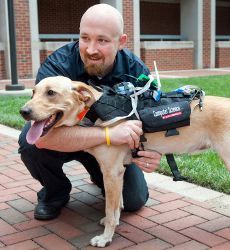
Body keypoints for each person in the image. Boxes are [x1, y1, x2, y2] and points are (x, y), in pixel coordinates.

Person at [18, 4, 162, 220]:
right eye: (85, 38)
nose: (91, 49)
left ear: (121, 42)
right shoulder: (58, 65)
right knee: (30, 143)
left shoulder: (135, 71)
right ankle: (55, 193)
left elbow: (153, 120)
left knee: (134, 201)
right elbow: (42, 139)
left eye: (102, 40)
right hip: (66, 141)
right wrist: (108, 134)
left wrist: (150, 151)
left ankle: (99, 175)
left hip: (109, 150)